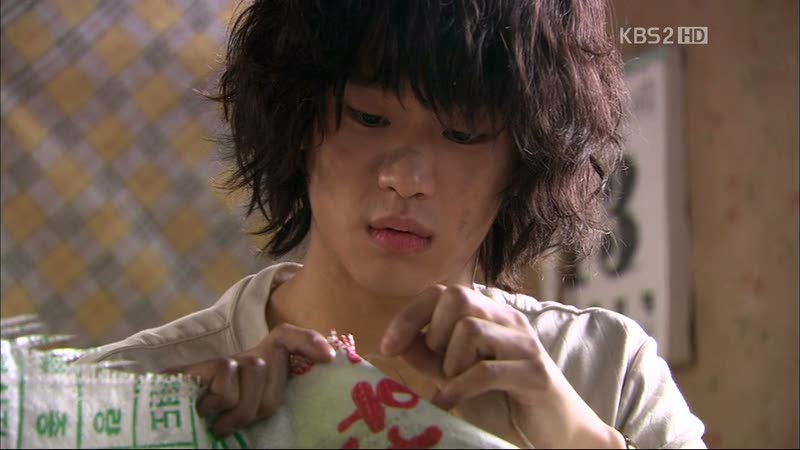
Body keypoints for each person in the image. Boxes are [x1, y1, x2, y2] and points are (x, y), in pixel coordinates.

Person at [76, 0, 706, 447]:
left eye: (463, 134)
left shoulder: (604, 372)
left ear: (524, 159)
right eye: (369, 118)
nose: (407, 178)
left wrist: (570, 432)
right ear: (298, 123)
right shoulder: (131, 394)